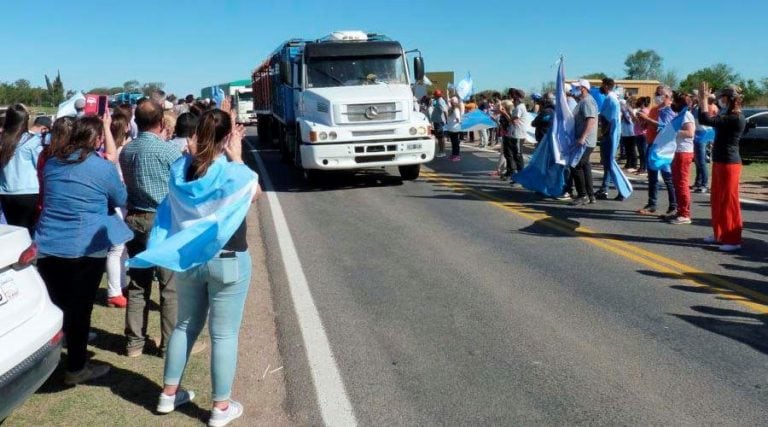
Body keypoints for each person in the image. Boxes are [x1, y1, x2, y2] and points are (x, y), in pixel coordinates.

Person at [131, 102, 260, 426]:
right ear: (228, 136)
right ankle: (220, 407)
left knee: (185, 326)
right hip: (228, 259)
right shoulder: (233, 170)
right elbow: (254, 192)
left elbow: (192, 163)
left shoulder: (181, 168)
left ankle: (168, 393)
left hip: (188, 259)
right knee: (224, 335)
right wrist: (237, 154)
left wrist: (200, 147)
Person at [35, 116, 133, 385]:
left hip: (48, 244)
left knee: (55, 305)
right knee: (80, 309)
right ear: (97, 140)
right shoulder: (101, 168)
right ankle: (76, 367)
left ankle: (51, 360)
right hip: (84, 247)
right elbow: (121, 199)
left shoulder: (53, 163)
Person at [119, 99, 183, 357]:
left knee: (137, 283)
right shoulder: (168, 152)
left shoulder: (127, 150)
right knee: (169, 286)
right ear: (160, 122)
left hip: (135, 217)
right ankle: (170, 345)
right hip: (163, 220)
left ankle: (134, 342)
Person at [697, 82, 746, 251]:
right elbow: (707, 116)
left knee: (728, 201)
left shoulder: (735, 117)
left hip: (729, 163)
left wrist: (703, 100)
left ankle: (733, 239)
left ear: (730, 99)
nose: (720, 101)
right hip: (720, 161)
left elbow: (705, 119)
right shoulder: (727, 113)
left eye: (722, 98)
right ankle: (720, 234)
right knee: (717, 199)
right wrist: (705, 100)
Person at [0, 104, 43, 235]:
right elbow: (40, 165)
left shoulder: (3, 141)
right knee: (28, 230)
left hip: (6, 192)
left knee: (14, 230)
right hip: (29, 191)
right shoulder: (32, 141)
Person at [638, 86, 677, 216]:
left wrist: (647, 119)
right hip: (651, 144)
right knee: (652, 177)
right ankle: (652, 203)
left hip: (663, 148)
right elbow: (647, 125)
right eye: (656, 93)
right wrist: (643, 120)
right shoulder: (655, 109)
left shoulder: (669, 110)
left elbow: (664, 128)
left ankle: (673, 205)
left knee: (667, 177)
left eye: (660, 94)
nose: (657, 96)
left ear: (667, 96)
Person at [568, 80, 598, 205]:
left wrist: (582, 137)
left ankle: (582, 195)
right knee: (585, 166)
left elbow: (590, 120)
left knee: (576, 165)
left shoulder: (587, 101)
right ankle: (590, 195)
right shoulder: (583, 101)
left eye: (576, 87)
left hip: (585, 141)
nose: (573, 89)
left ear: (583, 88)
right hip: (585, 140)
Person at [668, 93, 696, 225]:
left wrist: (672, 131)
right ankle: (680, 210)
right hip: (677, 151)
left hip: (684, 152)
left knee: (682, 183)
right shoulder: (680, 115)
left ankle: (685, 214)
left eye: (675, 102)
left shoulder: (686, 115)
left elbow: (690, 133)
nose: (673, 104)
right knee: (676, 183)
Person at [501, 88, 527, 183]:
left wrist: (504, 113)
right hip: (514, 134)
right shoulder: (519, 106)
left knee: (518, 155)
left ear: (517, 96)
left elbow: (513, 120)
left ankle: (521, 176)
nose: (513, 97)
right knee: (514, 155)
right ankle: (516, 175)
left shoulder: (520, 107)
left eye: (514, 95)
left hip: (518, 134)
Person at [693, 94, 718, 192]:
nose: (694, 97)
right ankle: (698, 182)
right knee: (698, 161)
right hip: (698, 134)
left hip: (704, 134)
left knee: (702, 161)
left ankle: (705, 184)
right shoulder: (696, 107)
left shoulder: (705, 108)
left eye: (696, 96)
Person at [429, 90, 448, 157]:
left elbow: (445, 111)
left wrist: (446, 121)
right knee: (439, 137)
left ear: (437, 95)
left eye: (434, 95)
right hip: (437, 121)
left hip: (439, 122)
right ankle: (441, 151)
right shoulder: (438, 100)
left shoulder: (440, 101)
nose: (433, 96)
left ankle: (442, 152)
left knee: (441, 137)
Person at [445, 97, 463, 161]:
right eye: (451, 102)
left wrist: (459, 121)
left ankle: (457, 156)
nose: (451, 102)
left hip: (455, 128)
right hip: (451, 128)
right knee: (453, 142)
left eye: (452, 102)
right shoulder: (451, 109)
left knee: (455, 143)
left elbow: (458, 118)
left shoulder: (456, 109)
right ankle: (453, 154)